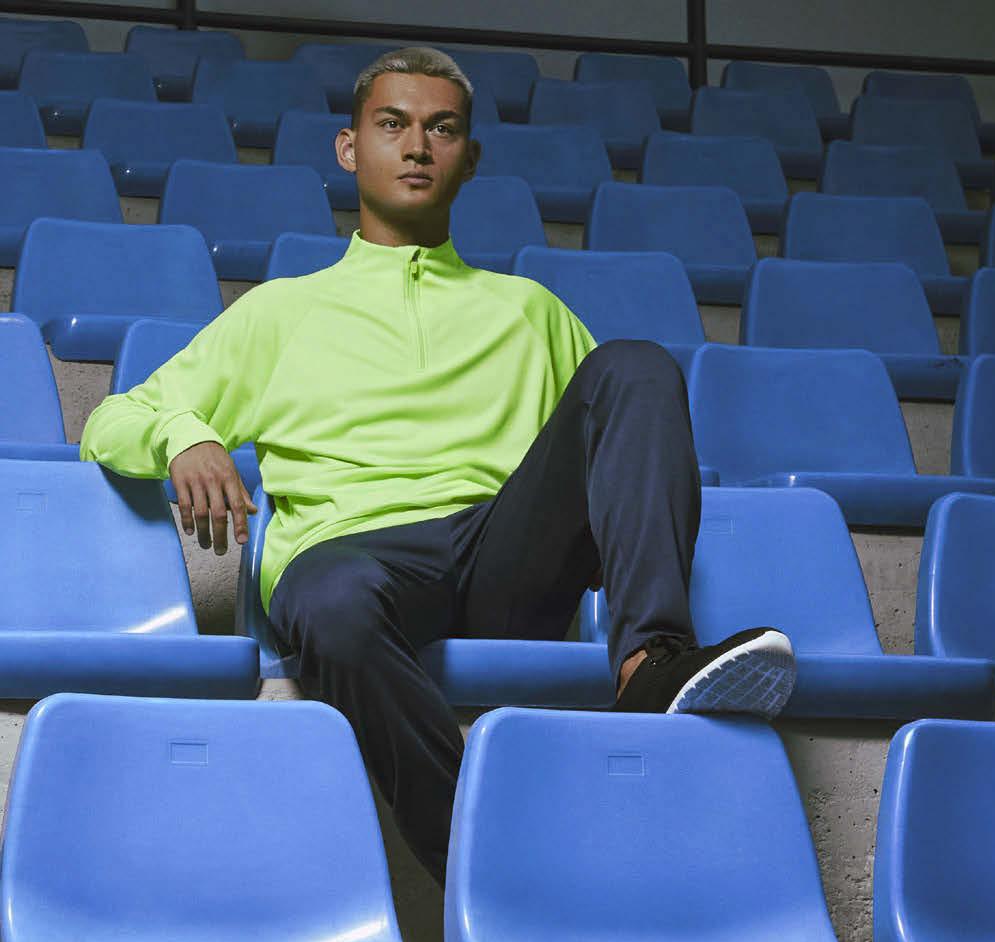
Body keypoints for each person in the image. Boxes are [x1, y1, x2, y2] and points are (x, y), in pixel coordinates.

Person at [80, 45, 796, 885]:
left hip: (504, 556)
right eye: (392, 124)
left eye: (441, 129)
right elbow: (109, 421)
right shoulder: (279, 311)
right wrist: (185, 435)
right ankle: (497, 876)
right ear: (349, 148)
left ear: (469, 157)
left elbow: (624, 446)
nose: (417, 146)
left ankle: (649, 663)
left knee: (635, 365)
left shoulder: (530, 311)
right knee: (329, 598)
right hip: (355, 559)